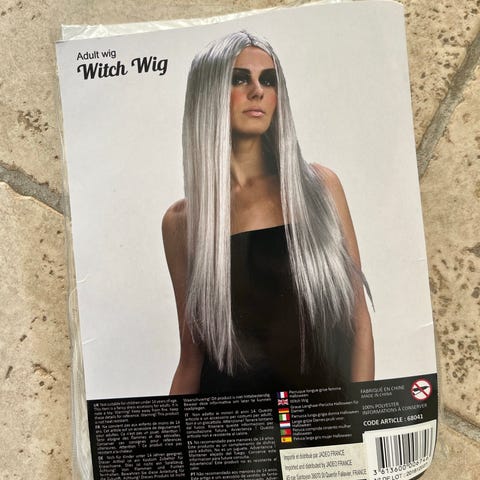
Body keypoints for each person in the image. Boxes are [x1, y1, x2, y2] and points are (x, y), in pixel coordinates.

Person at [162, 31, 374, 395]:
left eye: (269, 80)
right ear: (208, 93)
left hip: (322, 417)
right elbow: (191, 358)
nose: (258, 91)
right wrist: (168, 431)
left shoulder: (320, 189)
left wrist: (359, 418)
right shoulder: (182, 222)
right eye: (239, 79)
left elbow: (360, 324)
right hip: (232, 422)